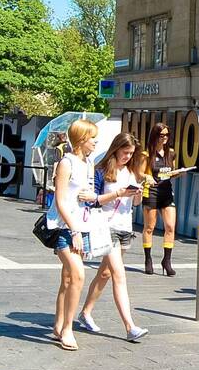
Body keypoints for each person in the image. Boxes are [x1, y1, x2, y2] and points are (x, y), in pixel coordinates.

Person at [77, 132, 149, 343]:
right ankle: (130, 326)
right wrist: (118, 193)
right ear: (116, 149)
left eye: (131, 153)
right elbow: (93, 201)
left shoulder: (131, 172)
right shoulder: (101, 171)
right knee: (119, 274)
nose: (128, 156)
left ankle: (85, 313)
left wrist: (137, 193)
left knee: (106, 273)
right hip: (105, 227)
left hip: (125, 227)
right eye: (125, 152)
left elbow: (134, 205)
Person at [47, 118, 100, 352]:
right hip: (64, 226)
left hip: (82, 223)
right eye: (92, 139)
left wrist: (90, 196)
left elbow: (86, 194)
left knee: (68, 277)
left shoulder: (89, 163)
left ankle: (59, 324)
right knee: (77, 274)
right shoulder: (66, 163)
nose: (96, 143)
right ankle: (68, 327)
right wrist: (74, 229)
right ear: (81, 139)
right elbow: (59, 200)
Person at [141, 122, 184, 276]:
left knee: (170, 226)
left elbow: (170, 172)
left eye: (167, 135)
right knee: (150, 227)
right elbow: (140, 173)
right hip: (151, 192)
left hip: (166, 192)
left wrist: (178, 172)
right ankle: (148, 259)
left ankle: (167, 260)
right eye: (161, 135)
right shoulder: (146, 154)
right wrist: (147, 177)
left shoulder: (171, 153)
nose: (165, 138)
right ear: (155, 136)